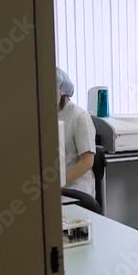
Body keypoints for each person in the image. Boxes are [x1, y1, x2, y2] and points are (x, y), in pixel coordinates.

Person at [57, 68, 102, 213]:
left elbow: (87, 162)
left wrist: (59, 184)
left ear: (63, 91)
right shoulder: (46, 116)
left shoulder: (79, 117)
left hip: (76, 191)